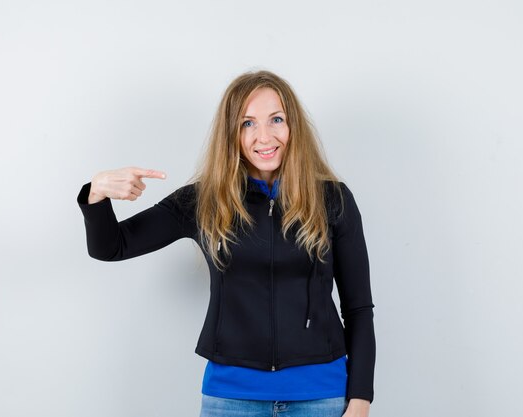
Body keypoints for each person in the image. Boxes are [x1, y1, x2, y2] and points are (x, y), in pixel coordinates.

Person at [77, 70, 375, 417]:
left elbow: (358, 308)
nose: (264, 136)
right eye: (247, 124)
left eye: (276, 120)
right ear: (231, 133)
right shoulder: (204, 200)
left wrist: (360, 399)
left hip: (321, 397)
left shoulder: (332, 199)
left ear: (293, 126)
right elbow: (111, 247)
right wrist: (96, 194)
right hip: (231, 400)